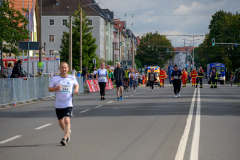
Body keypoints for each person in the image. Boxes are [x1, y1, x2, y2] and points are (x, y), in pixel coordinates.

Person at [48, 62, 79, 146]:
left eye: (65, 68)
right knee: (61, 122)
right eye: (62, 67)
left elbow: (76, 85)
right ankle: (68, 131)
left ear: (68, 69)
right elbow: (50, 89)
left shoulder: (72, 77)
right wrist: (55, 88)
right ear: (60, 69)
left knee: (67, 120)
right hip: (58, 104)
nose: (64, 69)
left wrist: (76, 89)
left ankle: (65, 138)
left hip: (68, 102)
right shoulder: (55, 78)